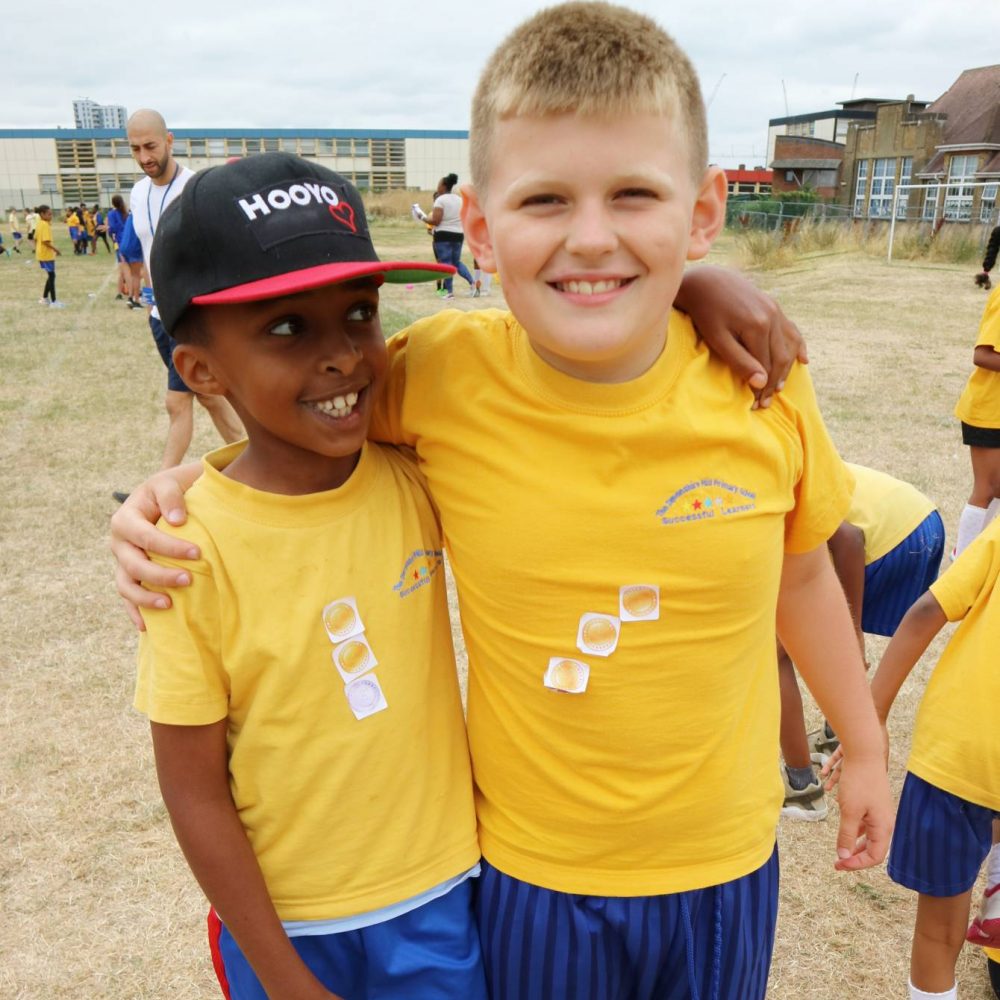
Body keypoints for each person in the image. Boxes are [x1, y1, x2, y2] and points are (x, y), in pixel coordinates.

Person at [112, 6, 893, 997]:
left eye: (635, 194)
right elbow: (298, 417)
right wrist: (175, 489)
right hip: (532, 874)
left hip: (725, 864)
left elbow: (802, 575)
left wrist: (864, 746)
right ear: (479, 229)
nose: (592, 236)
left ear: (702, 211)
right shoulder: (443, 375)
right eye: (546, 200)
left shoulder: (764, 381)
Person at [136, 153, 485, 1000]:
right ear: (201, 371)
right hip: (289, 930)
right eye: (288, 327)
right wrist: (286, 979)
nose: (343, 356)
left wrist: (693, 289)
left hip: (443, 897)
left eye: (360, 312)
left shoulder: (419, 479)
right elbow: (192, 791)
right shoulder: (185, 549)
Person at [834, 516, 1000, 1000]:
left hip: (957, 753)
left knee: (936, 934)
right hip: (962, 759)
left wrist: (873, 715)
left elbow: (929, 608)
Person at [778, 463, 945, 820]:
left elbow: (849, 538)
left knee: (776, 651)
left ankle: (801, 786)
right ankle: (835, 735)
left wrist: (853, 628)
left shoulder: (768, 477)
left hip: (888, 540)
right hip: (920, 520)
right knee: (823, 625)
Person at [125, 108, 243, 470]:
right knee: (208, 396)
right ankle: (258, 461)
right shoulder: (138, 192)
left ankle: (158, 487)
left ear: (169, 140)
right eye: (135, 149)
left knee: (176, 402)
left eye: (151, 146)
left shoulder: (196, 189)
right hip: (159, 316)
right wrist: (145, 291)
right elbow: (145, 248)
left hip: (190, 317)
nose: (144, 157)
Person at [954, 284, 1000, 556]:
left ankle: (975, 557)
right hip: (988, 412)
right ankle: (962, 561)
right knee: (987, 488)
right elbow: (982, 354)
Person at [412, 173, 475, 298]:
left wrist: (422, 217)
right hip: (458, 235)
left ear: (444, 186)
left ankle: (450, 293)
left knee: (446, 264)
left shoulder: (440, 200)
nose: (437, 187)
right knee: (456, 263)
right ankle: (473, 284)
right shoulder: (459, 199)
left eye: (439, 185)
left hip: (443, 236)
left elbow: (436, 221)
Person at [34, 204, 64, 308]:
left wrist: (38, 249)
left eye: (51, 214)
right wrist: (56, 250)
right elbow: (45, 241)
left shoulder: (40, 223)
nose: (51, 216)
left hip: (42, 254)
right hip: (46, 255)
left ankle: (45, 298)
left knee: (51, 275)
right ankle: (54, 302)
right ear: (42, 214)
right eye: (49, 214)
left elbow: (35, 238)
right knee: (52, 276)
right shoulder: (45, 225)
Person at [107, 194, 134, 301]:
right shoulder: (126, 213)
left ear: (113, 203)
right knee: (124, 270)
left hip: (119, 243)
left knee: (125, 270)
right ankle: (120, 293)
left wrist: (109, 230)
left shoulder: (112, 214)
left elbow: (113, 228)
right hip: (128, 241)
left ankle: (131, 294)